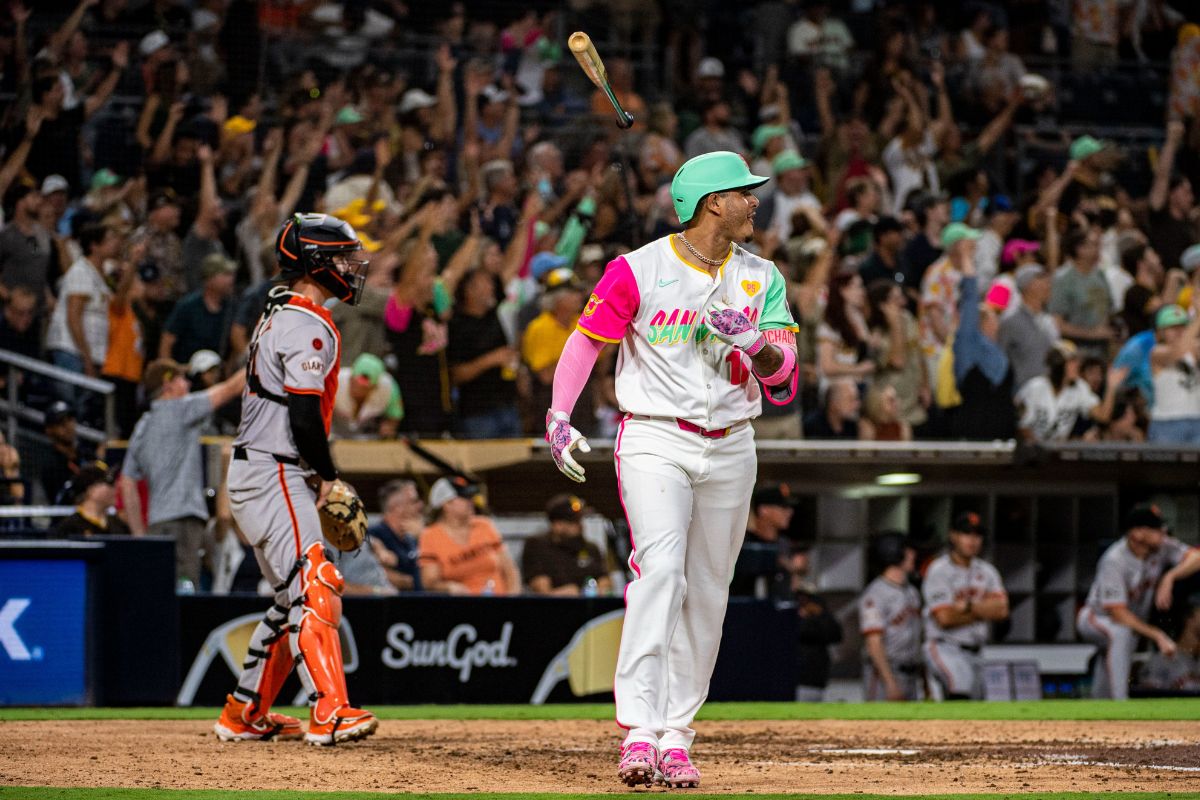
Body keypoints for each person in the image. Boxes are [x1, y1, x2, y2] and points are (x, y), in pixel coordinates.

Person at [544, 151, 800, 788]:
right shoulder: (638, 269)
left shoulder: (762, 276)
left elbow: (784, 382)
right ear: (713, 202)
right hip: (655, 437)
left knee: (709, 591)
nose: (754, 201)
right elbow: (584, 342)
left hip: (733, 443)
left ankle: (677, 736)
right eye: (744, 192)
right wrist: (559, 414)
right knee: (660, 570)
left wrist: (754, 343)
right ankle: (639, 732)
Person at [213, 213, 377, 746]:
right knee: (317, 584)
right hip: (273, 467)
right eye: (342, 259)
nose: (352, 268)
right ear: (314, 262)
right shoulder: (305, 322)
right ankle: (329, 710)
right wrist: (328, 478)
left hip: (266, 468)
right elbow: (304, 416)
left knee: (291, 598)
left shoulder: (284, 312)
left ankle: (244, 712)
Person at [120, 358, 244, 585]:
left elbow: (127, 482)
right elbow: (231, 388)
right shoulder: (179, 409)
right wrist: (264, 353)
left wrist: (139, 533)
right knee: (184, 591)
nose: (187, 385)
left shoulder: (142, 425)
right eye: (181, 379)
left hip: (155, 526)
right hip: (183, 522)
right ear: (168, 385)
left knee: (158, 591)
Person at [1077, 503, 1200, 700]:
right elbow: (1117, 613)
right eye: (1156, 528)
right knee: (1120, 633)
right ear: (1137, 533)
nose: (1163, 532)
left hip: (1129, 622)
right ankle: (1121, 702)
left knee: (1109, 661)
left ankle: (1099, 708)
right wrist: (1158, 635)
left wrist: (1171, 577)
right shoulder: (1114, 559)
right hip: (1096, 619)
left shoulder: (1163, 547)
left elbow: (1197, 557)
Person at [922, 511, 1009, 700]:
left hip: (976, 650)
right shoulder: (939, 570)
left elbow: (1002, 610)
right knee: (960, 692)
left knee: (976, 705)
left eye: (977, 534)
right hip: (945, 646)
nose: (972, 539)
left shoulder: (987, 571)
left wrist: (968, 607)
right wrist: (985, 610)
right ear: (953, 535)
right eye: (966, 533)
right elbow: (945, 618)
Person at [418, 476, 520, 595]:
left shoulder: (484, 525)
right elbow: (429, 582)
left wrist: (513, 596)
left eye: (470, 497)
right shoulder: (430, 536)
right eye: (464, 498)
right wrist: (449, 587)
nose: (471, 501)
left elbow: (510, 569)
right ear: (446, 504)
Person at [859, 533, 922, 701]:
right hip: (884, 674)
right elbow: (874, 643)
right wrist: (890, 683)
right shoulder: (875, 594)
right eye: (907, 550)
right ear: (894, 553)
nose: (912, 554)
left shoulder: (912, 592)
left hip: (911, 673)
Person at [521, 493, 611, 596]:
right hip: (553, 608)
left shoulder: (590, 548)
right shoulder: (538, 546)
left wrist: (601, 588)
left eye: (580, 520)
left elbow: (604, 578)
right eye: (573, 522)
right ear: (557, 525)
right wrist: (565, 593)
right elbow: (541, 590)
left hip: (590, 607)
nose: (580, 525)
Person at [786, 542, 843, 701]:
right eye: (799, 554)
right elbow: (791, 631)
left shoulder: (812, 596)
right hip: (790, 676)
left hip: (815, 677)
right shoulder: (778, 594)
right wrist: (812, 621)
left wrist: (811, 618)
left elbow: (835, 632)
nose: (806, 559)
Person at [730, 482, 796, 598]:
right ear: (763, 510)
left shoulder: (783, 544)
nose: (789, 512)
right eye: (782, 508)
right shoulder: (743, 543)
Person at [1147, 304, 1200, 444]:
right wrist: (1198, 319)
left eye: (1182, 326)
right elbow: (1176, 353)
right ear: (1160, 332)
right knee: (1165, 466)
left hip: (1196, 419)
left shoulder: (1194, 350)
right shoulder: (1156, 352)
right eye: (1172, 327)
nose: (1179, 331)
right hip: (1167, 423)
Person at [367, 479, 424, 592]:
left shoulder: (411, 537)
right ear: (397, 507)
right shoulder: (375, 534)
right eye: (413, 501)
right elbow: (368, 571)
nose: (420, 505)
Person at [332, 353, 403, 439]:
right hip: (333, 435)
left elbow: (395, 415)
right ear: (350, 378)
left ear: (374, 387)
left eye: (364, 388)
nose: (358, 390)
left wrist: (389, 426)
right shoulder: (333, 382)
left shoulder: (389, 388)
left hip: (368, 439)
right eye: (354, 384)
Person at [51, 461, 128, 537]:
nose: (115, 489)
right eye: (110, 484)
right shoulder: (69, 528)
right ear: (91, 489)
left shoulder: (119, 525)